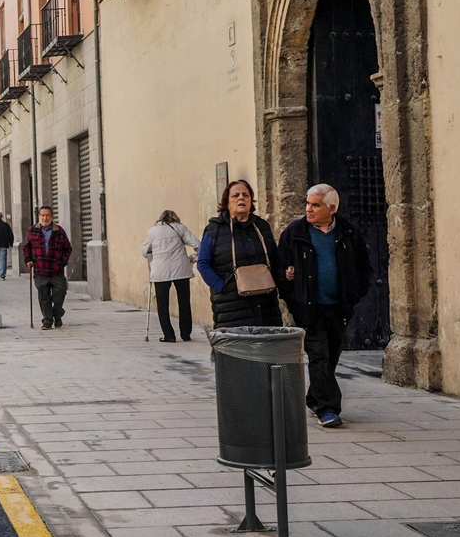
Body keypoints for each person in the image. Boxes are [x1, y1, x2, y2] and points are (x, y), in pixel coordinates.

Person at [277, 184, 372, 429]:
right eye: (307, 203)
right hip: (309, 308)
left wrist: (354, 295)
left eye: (315, 205)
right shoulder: (295, 232)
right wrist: (292, 294)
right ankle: (326, 408)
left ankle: (313, 397)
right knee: (318, 356)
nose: (308, 209)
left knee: (331, 355)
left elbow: (364, 268)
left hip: (339, 307)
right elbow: (279, 267)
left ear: (331, 208)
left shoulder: (349, 232)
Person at [197, 179, 283, 328]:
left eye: (246, 195)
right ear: (226, 203)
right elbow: (203, 264)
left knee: (266, 347)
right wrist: (221, 286)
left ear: (251, 201)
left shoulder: (261, 226)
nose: (241, 198)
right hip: (231, 307)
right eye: (235, 195)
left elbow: (275, 259)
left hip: (265, 305)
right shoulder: (215, 229)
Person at [141, 210, 200, 343]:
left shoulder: (152, 231)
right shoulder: (180, 228)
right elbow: (198, 244)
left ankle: (169, 335)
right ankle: (185, 334)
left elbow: (144, 251)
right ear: (175, 218)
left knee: (162, 304)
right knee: (184, 302)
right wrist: (193, 258)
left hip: (160, 271)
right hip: (181, 270)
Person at [22, 206, 72, 329]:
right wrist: (28, 260)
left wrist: (62, 262)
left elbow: (68, 248)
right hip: (40, 270)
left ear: (52, 216)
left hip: (57, 270)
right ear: (39, 216)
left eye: (47, 215)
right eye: (43, 215)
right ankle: (47, 320)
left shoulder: (59, 231)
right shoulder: (33, 230)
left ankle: (58, 315)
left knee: (59, 295)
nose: (45, 218)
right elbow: (26, 247)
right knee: (44, 297)